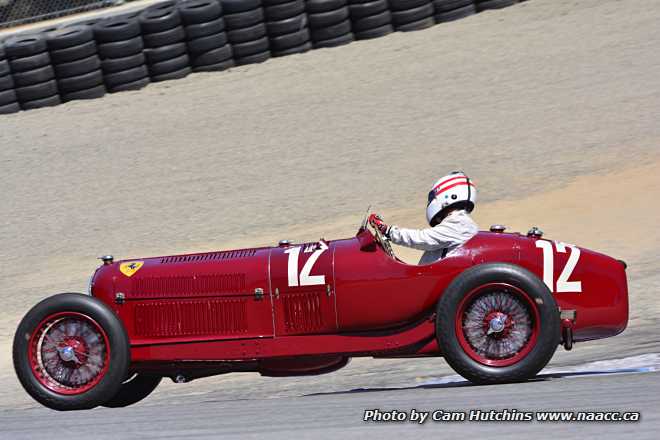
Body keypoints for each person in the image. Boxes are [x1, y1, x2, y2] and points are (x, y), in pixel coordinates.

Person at [369, 171, 479, 265]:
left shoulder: (459, 223)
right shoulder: (461, 223)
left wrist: (388, 231)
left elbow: (423, 239)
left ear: (450, 195)